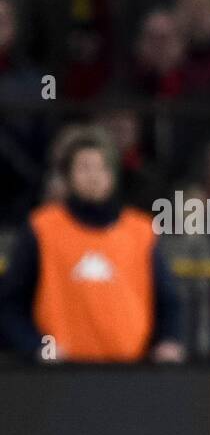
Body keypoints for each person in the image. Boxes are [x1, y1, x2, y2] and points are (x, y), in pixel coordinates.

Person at [0, 130, 184, 363]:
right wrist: (35, 347)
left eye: (102, 168)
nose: (94, 176)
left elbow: (168, 302)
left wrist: (168, 341)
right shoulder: (43, 228)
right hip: (59, 375)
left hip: (131, 374)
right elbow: (9, 305)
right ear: (68, 176)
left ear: (113, 175)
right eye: (84, 168)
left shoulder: (141, 231)